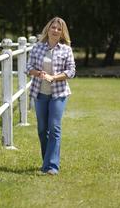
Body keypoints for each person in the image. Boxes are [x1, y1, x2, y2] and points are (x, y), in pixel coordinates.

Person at [26, 17, 76, 175]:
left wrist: (54, 77)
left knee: (54, 127)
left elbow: (71, 71)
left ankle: (52, 166)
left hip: (59, 93)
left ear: (62, 33)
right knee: (42, 129)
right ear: (48, 29)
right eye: (53, 27)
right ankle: (46, 161)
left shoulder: (66, 50)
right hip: (39, 93)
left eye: (58, 29)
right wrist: (39, 73)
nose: (55, 30)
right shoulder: (38, 47)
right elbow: (28, 67)